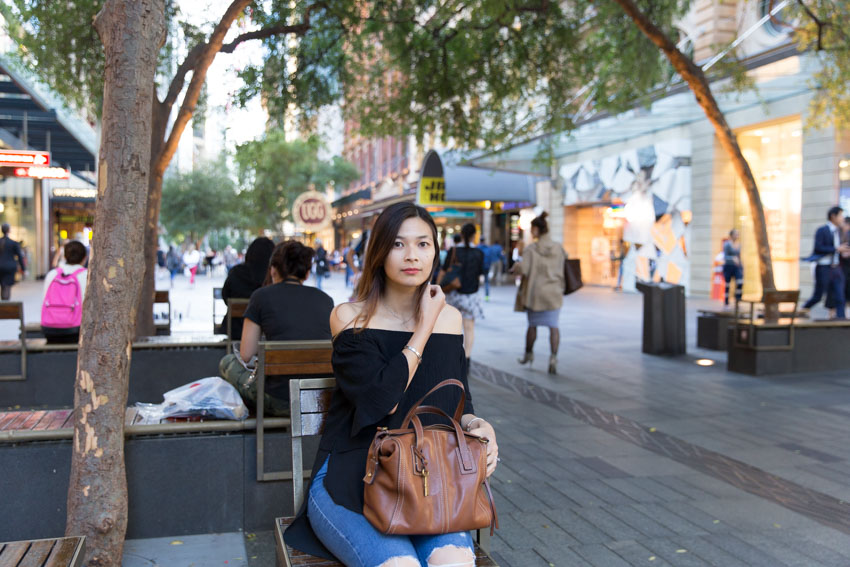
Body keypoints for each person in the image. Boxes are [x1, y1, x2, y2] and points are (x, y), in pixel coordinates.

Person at [283, 202, 498, 567]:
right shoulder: (351, 317)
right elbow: (380, 400)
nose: (412, 255)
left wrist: (480, 426)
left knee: (456, 564)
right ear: (379, 251)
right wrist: (424, 326)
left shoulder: (451, 320)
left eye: (423, 244)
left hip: (428, 482)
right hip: (352, 480)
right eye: (398, 244)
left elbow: (457, 403)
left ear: (435, 251)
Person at [220, 240, 333, 416]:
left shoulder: (260, 297)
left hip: (278, 401)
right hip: (318, 400)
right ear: (307, 273)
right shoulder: (325, 300)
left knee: (227, 362)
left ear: (273, 269)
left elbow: (245, 353)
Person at [511, 212, 566, 374]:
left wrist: (516, 267)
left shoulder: (531, 250)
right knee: (554, 326)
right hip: (554, 293)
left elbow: (524, 269)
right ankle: (553, 358)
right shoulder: (558, 247)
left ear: (536, 229)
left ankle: (528, 354)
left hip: (535, 294)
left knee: (533, 325)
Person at [442, 224, 485, 370]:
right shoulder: (479, 253)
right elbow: (481, 273)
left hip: (454, 294)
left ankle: (453, 357)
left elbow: (444, 270)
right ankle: (466, 359)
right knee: (469, 328)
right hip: (471, 295)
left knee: (453, 327)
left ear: (461, 234)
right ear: (474, 235)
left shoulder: (453, 251)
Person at [218, 237, 274, 339]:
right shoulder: (272, 276)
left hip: (235, 329)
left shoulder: (236, 272)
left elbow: (225, 296)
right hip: (265, 331)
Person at [803, 206, 850, 319]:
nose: (842, 218)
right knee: (818, 295)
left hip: (836, 267)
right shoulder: (822, 230)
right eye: (840, 215)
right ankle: (803, 308)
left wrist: (842, 251)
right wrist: (836, 249)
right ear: (833, 216)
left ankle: (841, 319)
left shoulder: (840, 232)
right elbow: (818, 247)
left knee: (840, 295)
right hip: (824, 267)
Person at [41, 241, 88, 344]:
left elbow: (44, 299)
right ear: (85, 258)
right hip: (74, 330)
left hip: (49, 328)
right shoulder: (87, 275)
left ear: (65, 256)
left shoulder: (52, 274)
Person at [0, 223, 26, 300]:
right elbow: (20, 257)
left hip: (0, 267)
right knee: (7, 286)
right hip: (9, 267)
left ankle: (3, 303)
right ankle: (5, 303)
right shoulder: (13, 243)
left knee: (3, 285)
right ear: (9, 230)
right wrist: (23, 269)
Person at [723, 229, 743, 306]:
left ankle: (738, 300)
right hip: (728, 266)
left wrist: (741, 265)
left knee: (740, 282)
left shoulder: (739, 244)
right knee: (727, 284)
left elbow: (739, 256)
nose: (737, 236)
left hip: (737, 267)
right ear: (731, 235)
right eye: (735, 234)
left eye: (738, 234)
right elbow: (725, 257)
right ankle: (726, 301)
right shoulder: (727, 244)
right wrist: (732, 258)